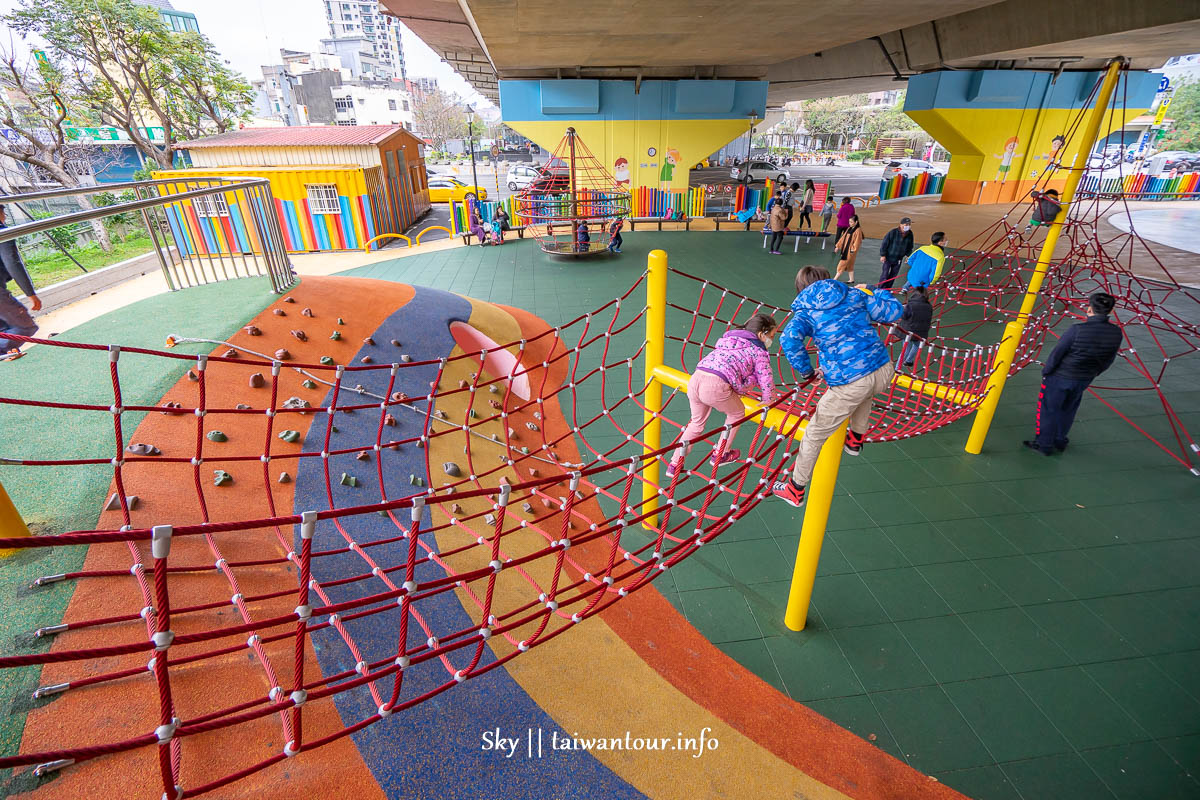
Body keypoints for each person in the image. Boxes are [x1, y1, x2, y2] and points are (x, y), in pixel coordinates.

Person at [773, 266, 903, 507]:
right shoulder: (855, 294)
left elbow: (788, 340)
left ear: (801, 288)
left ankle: (795, 488)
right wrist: (874, 290)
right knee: (865, 391)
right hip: (884, 370)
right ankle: (855, 439)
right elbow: (895, 311)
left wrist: (806, 370)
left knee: (814, 434)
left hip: (851, 382)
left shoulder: (805, 312)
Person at [666, 313, 776, 477]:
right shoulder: (758, 351)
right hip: (716, 385)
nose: (771, 340)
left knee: (696, 424)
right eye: (772, 336)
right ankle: (721, 453)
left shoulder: (727, 342)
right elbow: (765, 376)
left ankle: (674, 463)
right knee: (737, 413)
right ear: (761, 335)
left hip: (696, 379)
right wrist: (769, 398)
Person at [1024, 291, 1122, 455]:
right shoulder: (1116, 333)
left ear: (1089, 309)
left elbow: (1057, 353)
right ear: (1111, 311)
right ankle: (1060, 440)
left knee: (1049, 409)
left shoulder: (1076, 330)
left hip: (1060, 376)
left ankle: (1044, 445)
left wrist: (1047, 371)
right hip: (1084, 378)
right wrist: (1093, 372)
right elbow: (1109, 359)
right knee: (1068, 409)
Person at [0, 204, 41, 358]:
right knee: (26, 327)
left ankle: (7, 352)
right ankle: (4, 350)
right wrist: (31, 294)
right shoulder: (3, 232)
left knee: (4, 328)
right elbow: (12, 262)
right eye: (3, 212)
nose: (5, 217)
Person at [896, 285, 932, 369]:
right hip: (921, 331)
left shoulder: (911, 305)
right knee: (917, 345)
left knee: (906, 348)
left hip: (908, 331)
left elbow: (904, 316)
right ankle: (909, 360)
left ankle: (897, 368)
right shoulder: (929, 306)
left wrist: (903, 309)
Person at [877, 216, 915, 289]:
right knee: (885, 274)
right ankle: (880, 289)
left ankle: (888, 289)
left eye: (909, 225)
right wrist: (883, 255)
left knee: (893, 275)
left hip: (898, 258)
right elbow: (885, 243)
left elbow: (910, 246)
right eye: (906, 225)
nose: (908, 226)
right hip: (888, 257)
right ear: (901, 225)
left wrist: (908, 255)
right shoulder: (893, 232)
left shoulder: (910, 234)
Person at [833, 214, 863, 283]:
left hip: (850, 251)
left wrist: (853, 250)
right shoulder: (849, 228)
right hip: (846, 249)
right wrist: (838, 246)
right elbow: (843, 238)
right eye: (849, 222)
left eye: (851, 222)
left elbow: (857, 242)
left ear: (856, 222)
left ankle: (834, 279)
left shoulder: (858, 230)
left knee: (841, 264)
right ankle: (851, 279)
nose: (850, 223)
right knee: (850, 265)